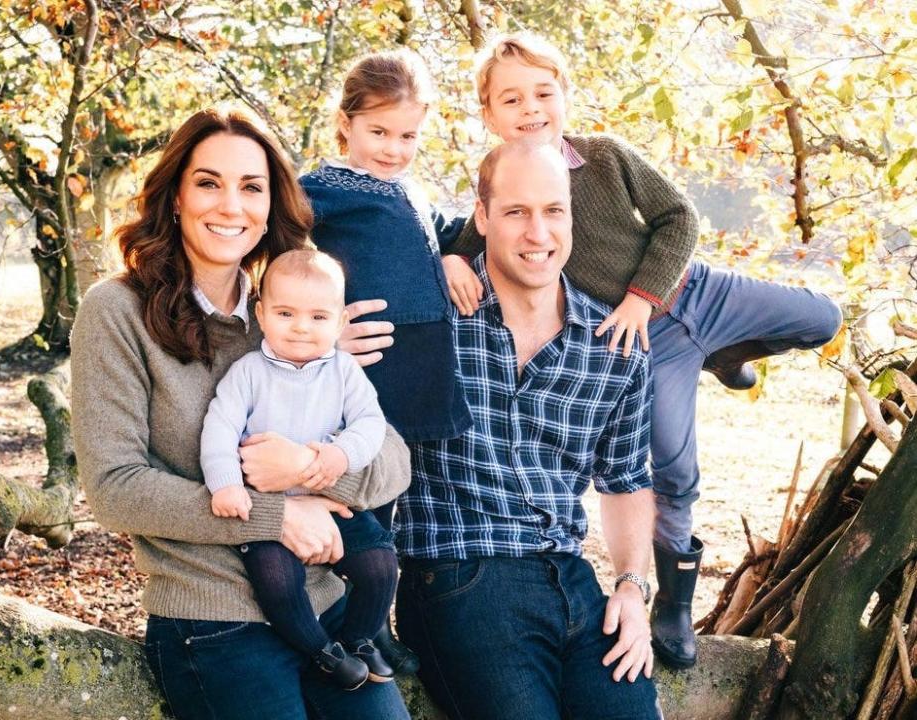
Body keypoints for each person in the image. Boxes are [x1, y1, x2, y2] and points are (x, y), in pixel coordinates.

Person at [440, 33, 843, 669]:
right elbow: (473, 238)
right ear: (488, 114)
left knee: (823, 317)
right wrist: (449, 259)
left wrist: (641, 295)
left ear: (565, 95)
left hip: (696, 292)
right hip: (647, 346)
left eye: (544, 92)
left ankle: (728, 351)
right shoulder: (503, 186)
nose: (531, 108)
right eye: (511, 99)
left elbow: (678, 217)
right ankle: (675, 606)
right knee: (673, 470)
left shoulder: (603, 157)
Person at [71, 106, 411, 720]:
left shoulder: (290, 314)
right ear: (174, 196)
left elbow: (392, 461)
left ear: (270, 205)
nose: (231, 206)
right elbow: (115, 489)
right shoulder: (116, 311)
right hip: (213, 620)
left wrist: (309, 464)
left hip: (326, 602)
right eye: (208, 182)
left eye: (251, 187)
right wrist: (275, 517)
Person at [395, 140, 662, 719]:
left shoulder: (612, 347)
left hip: (572, 579)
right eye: (516, 212)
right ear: (483, 216)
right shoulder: (431, 321)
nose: (538, 233)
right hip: (459, 572)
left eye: (553, 211)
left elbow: (626, 480)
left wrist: (633, 588)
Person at [299, 49, 473, 672]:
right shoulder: (320, 190)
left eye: (408, 135)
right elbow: (278, 258)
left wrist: (453, 255)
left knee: (393, 498)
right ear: (345, 123)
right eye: (379, 132)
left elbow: (444, 230)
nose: (394, 148)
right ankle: (355, 622)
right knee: (360, 498)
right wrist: (319, 327)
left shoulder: (410, 188)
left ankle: (376, 620)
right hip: (369, 365)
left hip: (420, 365)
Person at [200, 248, 398, 690]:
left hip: (327, 503)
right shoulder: (247, 372)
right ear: (262, 314)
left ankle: (358, 638)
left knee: (380, 563)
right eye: (285, 312)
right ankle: (320, 652)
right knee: (276, 580)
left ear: (340, 322)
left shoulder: (345, 372)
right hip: (267, 511)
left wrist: (339, 455)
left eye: (318, 317)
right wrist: (226, 484)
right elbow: (219, 428)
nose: (301, 327)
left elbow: (370, 425)